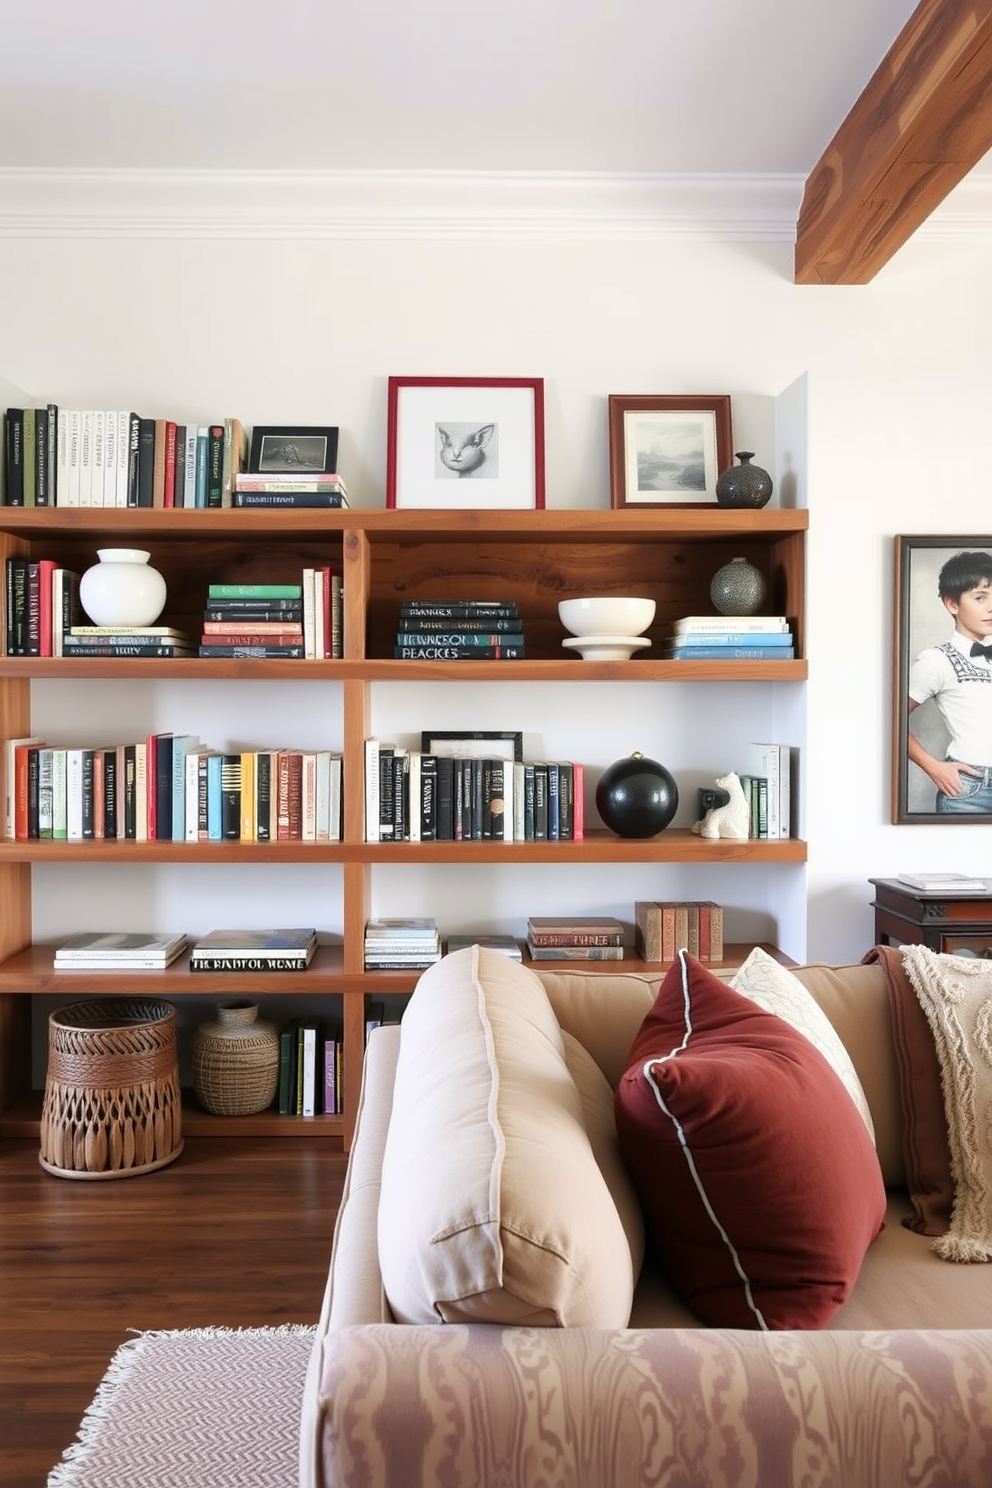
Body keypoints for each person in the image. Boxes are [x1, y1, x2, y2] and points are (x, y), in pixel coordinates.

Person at [907, 550, 992, 813]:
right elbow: (889, 720)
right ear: (952, 604)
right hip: (971, 792)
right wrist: (934, 767)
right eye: (980, 598)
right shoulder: (936, 660)